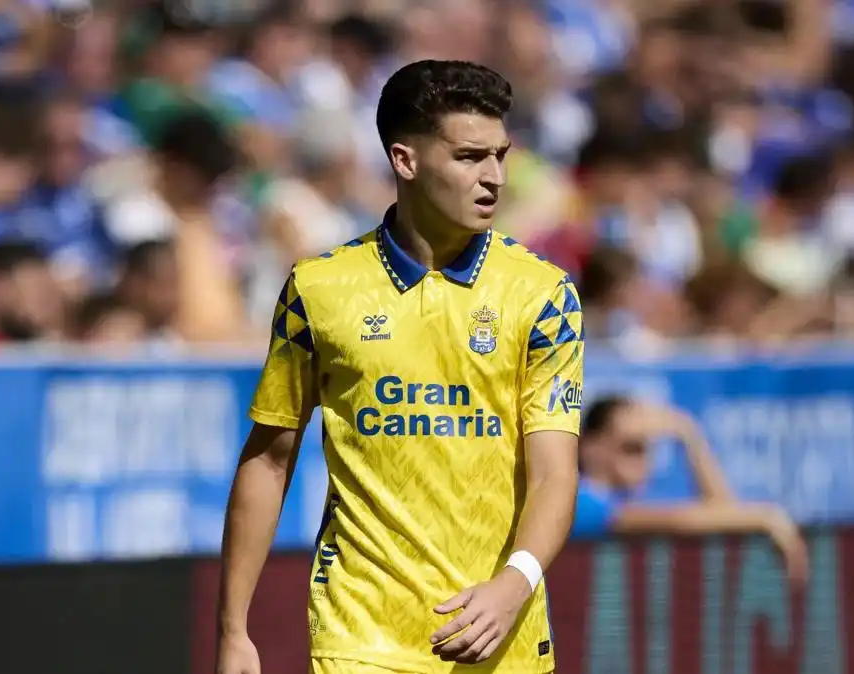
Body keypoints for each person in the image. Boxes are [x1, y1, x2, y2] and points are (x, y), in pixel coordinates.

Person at [217, 60, 584, 674]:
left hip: (502, 637)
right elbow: (270, 457)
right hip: (361, 636)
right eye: (469, 157)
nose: (494, 177)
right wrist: (233, 630)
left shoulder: (542, 295)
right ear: (405, 160)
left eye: (500, 156)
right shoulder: (320, 290)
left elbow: (554, 473)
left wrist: (512, 585)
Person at [572, 396, 807, 581]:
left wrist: (689, 435)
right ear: (591, 447)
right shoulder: (581, 502)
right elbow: (679, 520)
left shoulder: (625, 502)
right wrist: (766, 517)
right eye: (631, 447)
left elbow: (724, 512)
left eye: (646, 448)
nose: (643, 462)